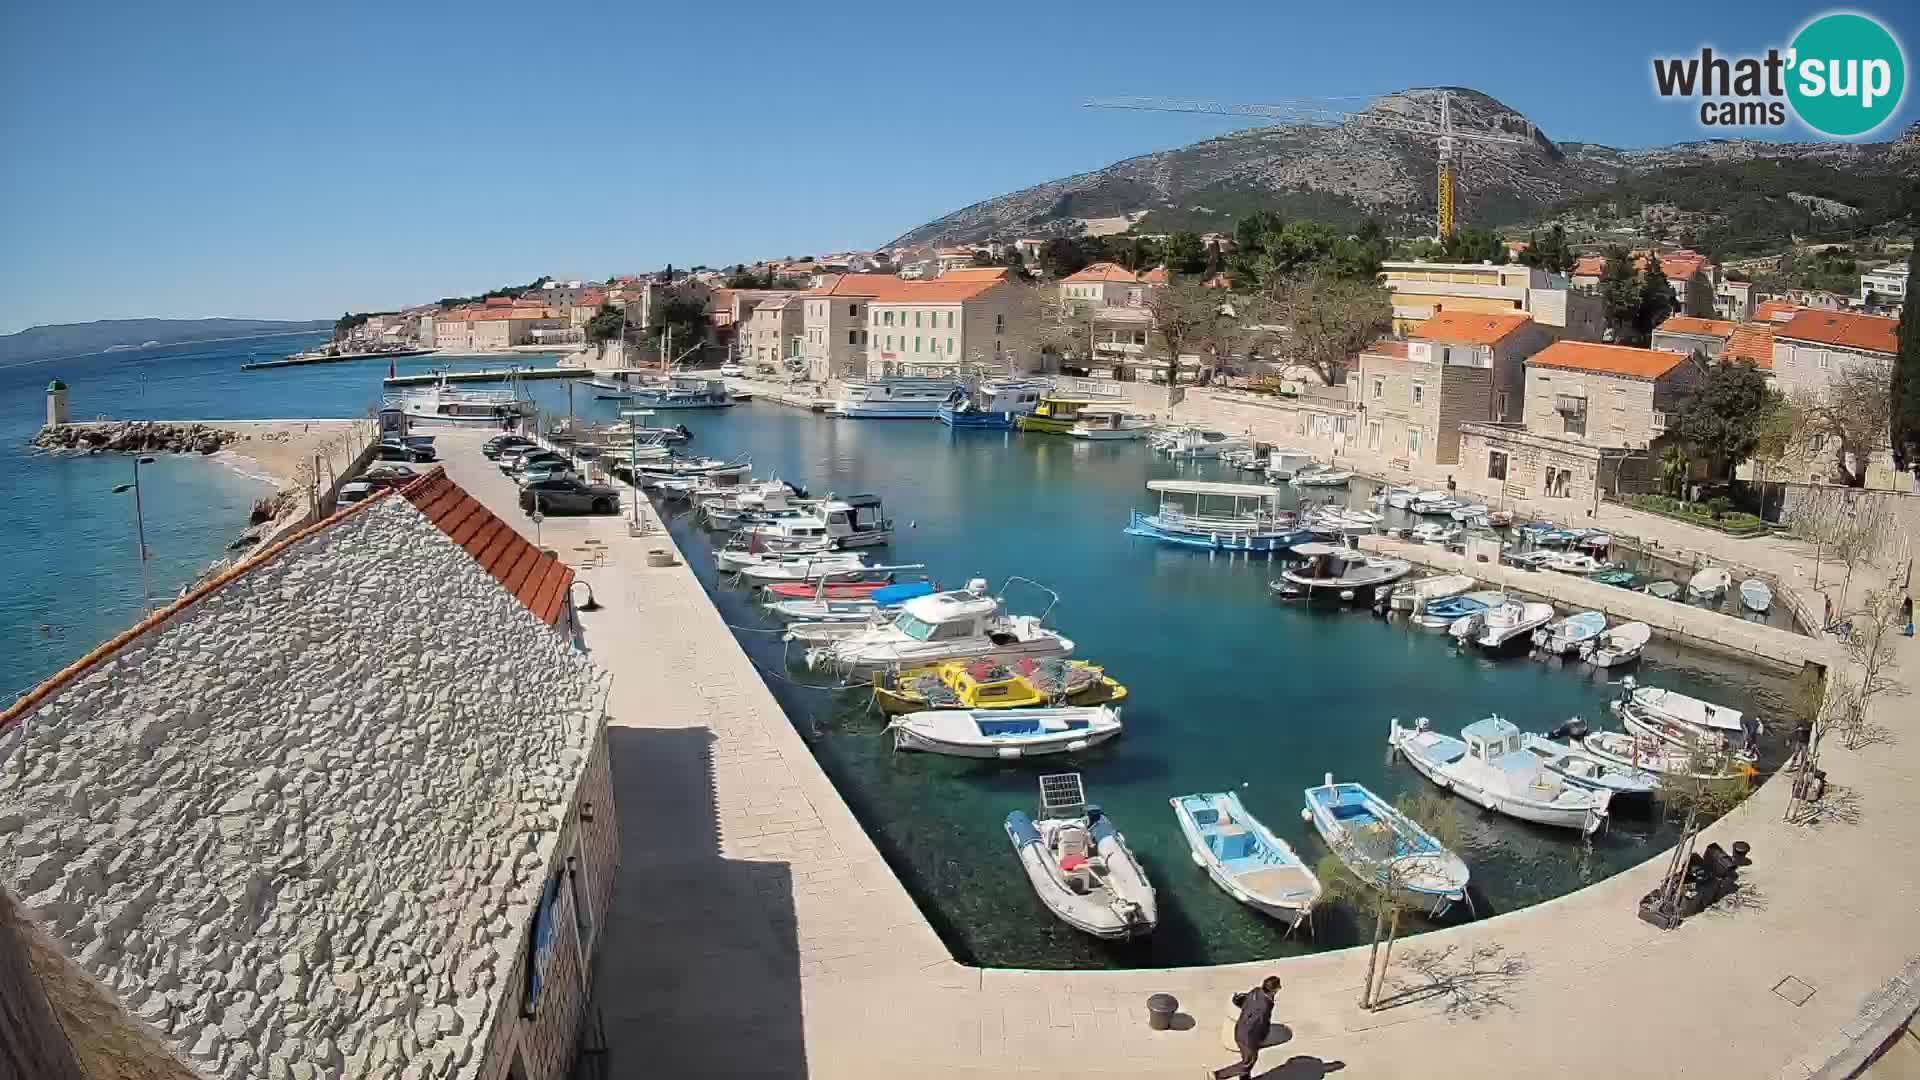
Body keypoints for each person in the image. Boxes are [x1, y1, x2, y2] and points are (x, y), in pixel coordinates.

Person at [1214, 976, 1280, 1079]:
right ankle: (1218, 1075)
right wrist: (1261, 1038)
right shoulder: (1264, 1007)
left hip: (1240, 1030)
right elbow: (1259, 1025)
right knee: (1249, 1061)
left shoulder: (1256, 991)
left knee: (1247, 1059)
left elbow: (1244, 1001)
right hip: (1248, 1039)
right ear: (1274, 990)